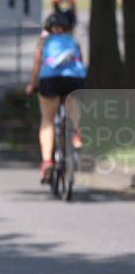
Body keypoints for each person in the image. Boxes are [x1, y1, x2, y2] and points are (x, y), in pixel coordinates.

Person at [25, 13, 86, 183]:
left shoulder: (44, 41)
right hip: (74, 79)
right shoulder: (74, 41)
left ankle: (47, 162)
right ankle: (77, 134)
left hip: (50, 80)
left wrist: (32, 85)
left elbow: (37, 66)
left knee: (47, 121)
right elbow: (80, 61)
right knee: (74, 104)